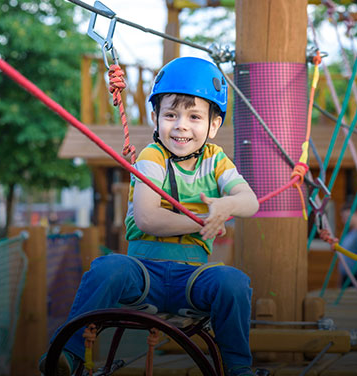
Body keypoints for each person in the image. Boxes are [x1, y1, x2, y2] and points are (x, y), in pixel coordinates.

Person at [40, 56, 259, 376]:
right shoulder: (151, 157)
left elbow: (250, 202)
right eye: (171, 114)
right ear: (156, 118)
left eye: (194, 116)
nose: (181, 124)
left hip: (191, 280)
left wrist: (225, 207)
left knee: (233, 281)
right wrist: (205, 221)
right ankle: (69, 354)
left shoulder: (216, 161)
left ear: (213, 125)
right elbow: (147, 218)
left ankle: (238, 368)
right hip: (144, 274)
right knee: (107, 267)